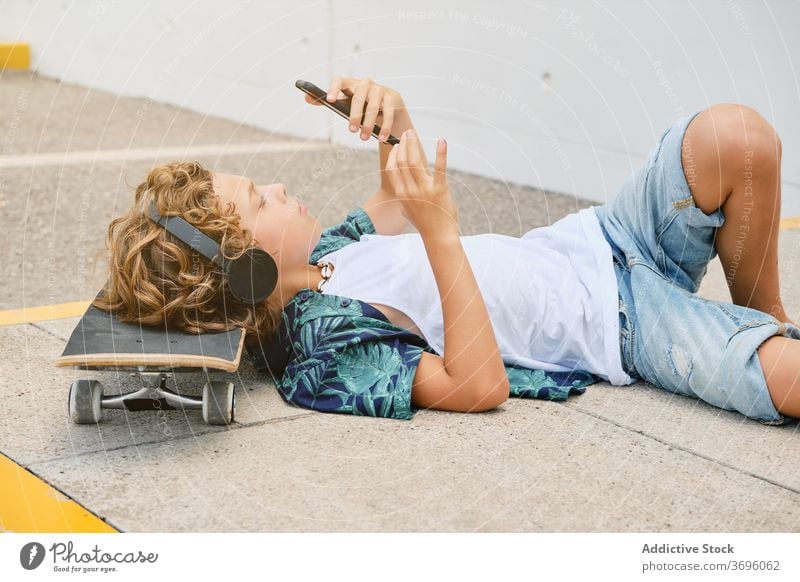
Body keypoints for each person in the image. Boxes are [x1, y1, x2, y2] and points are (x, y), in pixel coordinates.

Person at [94, 77, 800, 425]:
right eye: (259, 199)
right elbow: (476, 385)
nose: (279, 186)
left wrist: (389, 114)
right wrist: (439, 233)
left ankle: (762, 324)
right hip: (622, 325)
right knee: (792, 380)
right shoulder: (321, 349)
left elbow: (397, 195)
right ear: (245, 269)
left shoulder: (330, 254)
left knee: (736, 138)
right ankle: (764, 354)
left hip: (603, 238)